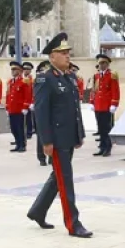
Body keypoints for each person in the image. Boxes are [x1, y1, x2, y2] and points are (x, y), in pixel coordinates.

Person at [27, 33, 91, 237]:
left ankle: (38, 211)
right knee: (65, 179)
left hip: (68, 136)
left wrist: (79, 134)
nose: (67, 56)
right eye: (62, 53)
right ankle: (73, 224)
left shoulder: (70, 77)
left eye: (68, 53)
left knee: (58, 177)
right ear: (51, 56)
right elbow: (41, 112)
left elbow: (75, 109)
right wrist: (46, 141)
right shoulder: (45, 79)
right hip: (56, 139)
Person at [90, 54, 120, 156]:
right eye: (99, 63)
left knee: (107, 128)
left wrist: (114, 103)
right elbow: (94, 90)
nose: (101, 65)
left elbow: (115, 91)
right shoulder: (96, 76)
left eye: (103, 63)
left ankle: (108, 147)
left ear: (107, 64)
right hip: (98, 105)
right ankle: (102, 147)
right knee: (100, 128)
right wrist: (92, 102)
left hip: (107, 105)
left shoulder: (112, 75)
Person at [6, 61, 31, 153]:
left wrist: (25, 106)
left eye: (14, 69)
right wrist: (7, 107)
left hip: (20, 109)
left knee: (20, 127)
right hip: (12, 109)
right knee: (13, 128)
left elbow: (27, 95)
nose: (12, 71)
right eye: (12, 69)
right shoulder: (10, 82)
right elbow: (8, 95)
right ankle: (17, 143)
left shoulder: (24, 81)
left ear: (20, 71)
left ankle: (22, 145)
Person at [33, 60, 51, 167]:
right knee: (41, 135)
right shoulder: (40, 78)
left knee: (52, 135)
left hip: (53, 111)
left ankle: (51, 157)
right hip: (42, 110)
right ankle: (42, 157)